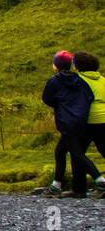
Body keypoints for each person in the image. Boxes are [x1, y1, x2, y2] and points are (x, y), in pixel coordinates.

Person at [42, 50, 97, 196]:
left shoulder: (54, 80)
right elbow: (89, 96)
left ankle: (99, 179)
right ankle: (56, 185)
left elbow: (46, 98)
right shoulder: (79, 79)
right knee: (61, 151)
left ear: (56, 65)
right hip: (80, 120)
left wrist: (59, 104)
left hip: (66, 121)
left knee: (77, 153)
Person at [72, 52, 105, 191]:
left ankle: (79, 188)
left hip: (86, 119)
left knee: (77, 152)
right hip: (103, 118)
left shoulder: (77, 79)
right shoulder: (102, 79)